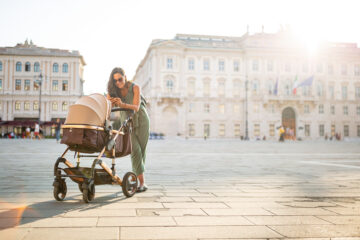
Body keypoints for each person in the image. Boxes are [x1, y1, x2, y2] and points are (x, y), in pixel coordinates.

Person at [107, 67, 150, 193]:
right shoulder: (113, 91)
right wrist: (111, 103)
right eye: (115, 81)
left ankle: (139, 182)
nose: (118, 83)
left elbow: (136, 107)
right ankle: (140, 182)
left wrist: (121, 104)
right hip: (126, 122)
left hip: (142, 120)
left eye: (120, 79)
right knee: (134, 150)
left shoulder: (135, 87)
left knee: (141, 151)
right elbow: (109, 107)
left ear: (125, 77)